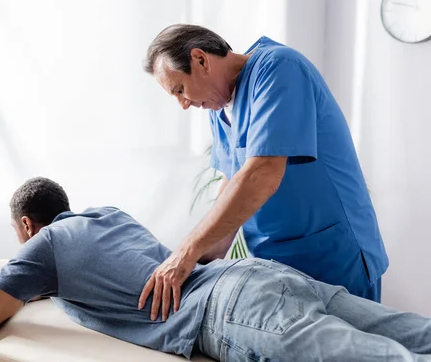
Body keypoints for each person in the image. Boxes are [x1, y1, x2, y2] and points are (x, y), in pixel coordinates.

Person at [0, 178, 431, 361]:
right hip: (258, 274)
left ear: (27, 226)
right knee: (416, 335)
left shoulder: (44, 246)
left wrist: (23, 275)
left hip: (232, 312)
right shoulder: (111, 215)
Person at [140, 24, 388, 312]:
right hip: (279, 267)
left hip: (333, 256)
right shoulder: (219, 110)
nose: (183, 104)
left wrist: (186, 253)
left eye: (179, 90)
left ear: (200, 59)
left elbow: (262, 173)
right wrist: (186, 261)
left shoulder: (279, 68)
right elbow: (231, 185)